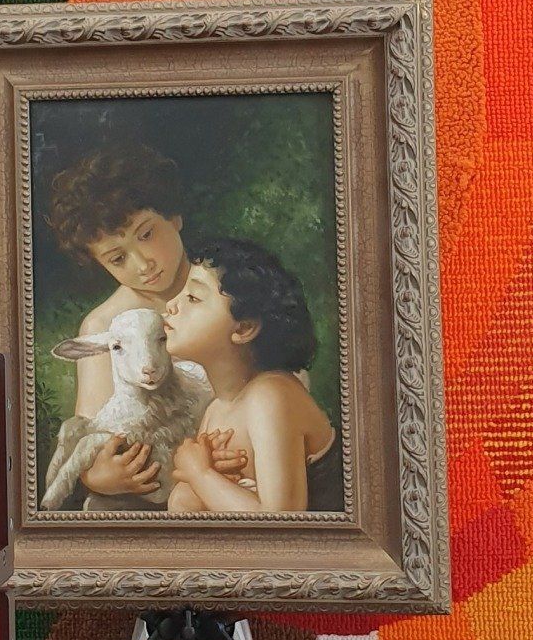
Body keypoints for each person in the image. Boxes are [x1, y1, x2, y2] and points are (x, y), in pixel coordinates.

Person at [42, 139, 193, 499]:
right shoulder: (103, 325)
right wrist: (98, 477)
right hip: (145, 489)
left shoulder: (221, 290)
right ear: (100, 263)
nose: (143, 264)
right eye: (117, 258)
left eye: (146, 235)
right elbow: (93, 427)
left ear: (173, 216)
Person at [161, 237, 335, 514]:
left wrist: (199, 474)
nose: (171, 304)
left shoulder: (271, 396)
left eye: (193, 298)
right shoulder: (216, 409)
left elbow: (280, 520)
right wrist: (197, 479)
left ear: (243, 328)